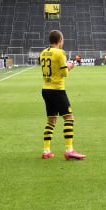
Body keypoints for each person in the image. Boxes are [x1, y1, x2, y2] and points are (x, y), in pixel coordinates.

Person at [40, 30, 86, 160]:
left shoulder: (43, 52)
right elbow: (64, 73)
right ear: (60, 40)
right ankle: (69, 150)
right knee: (69, 117)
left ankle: (46, 150)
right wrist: (69, 66)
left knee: (51, 120)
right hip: (57, 89)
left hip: (45, 89)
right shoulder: (60, 53)